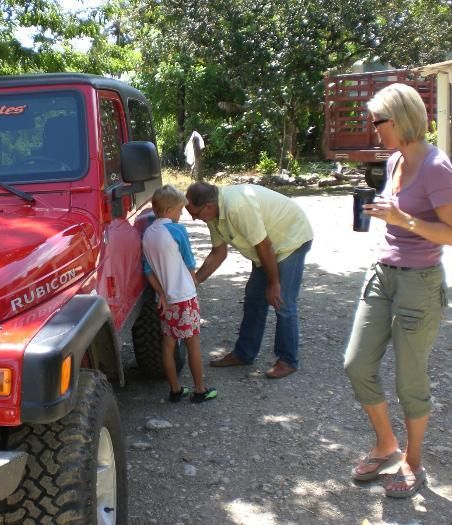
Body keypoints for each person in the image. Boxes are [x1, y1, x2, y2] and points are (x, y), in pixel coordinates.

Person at [344, 83, 452, 498]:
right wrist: (384, 214)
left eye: (378, 122)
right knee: (356, 364)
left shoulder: (436, 167)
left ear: (401, 119)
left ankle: (413, 461)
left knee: (410, 379)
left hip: (419, 281)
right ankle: (386, 444)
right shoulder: (393, 160)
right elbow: (397, 215)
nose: (374, 129)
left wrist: (403, 219)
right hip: (383, 273)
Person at [185, 182, 313, 379]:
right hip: (267, 249)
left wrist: (274, 284)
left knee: (282, 301)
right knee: (254, 299)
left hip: (290, 239)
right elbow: (219, 253)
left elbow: (264, 245)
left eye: (195, 213)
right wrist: (194, 282)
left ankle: (288, 360)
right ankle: (244, 353)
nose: (194, 218)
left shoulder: (237, 206)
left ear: (208, 206)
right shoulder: (213, 214)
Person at [142, 184, 217, 403]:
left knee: (168, 345)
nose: (181, 214)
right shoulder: (177, 231)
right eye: (179, 210)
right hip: (184, 296)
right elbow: (189, 261)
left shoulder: (147, 234)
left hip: (167, 300)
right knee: (193, 344)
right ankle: (200, 390)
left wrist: (161, 293)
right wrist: (194, 281)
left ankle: (175, 390)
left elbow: (148, 271)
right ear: (168, 210)